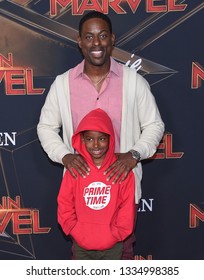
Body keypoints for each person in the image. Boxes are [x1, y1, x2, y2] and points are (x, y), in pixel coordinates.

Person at [37, 11, 165, 259]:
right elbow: (45, 127)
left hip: (121, 196)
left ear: (112, 39)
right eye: (89, 37)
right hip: (79, 198)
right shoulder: (63, 84)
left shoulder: (134, 82)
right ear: (80, 41)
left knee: (122, 258)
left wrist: (134, 154)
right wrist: (65, 156)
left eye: (103, 35)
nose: (96, 43)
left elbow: (154, 125)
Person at [57, 108, 135, 260]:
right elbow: (64, 203)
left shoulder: (121, 170)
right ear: (82, 140)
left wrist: (116, 233)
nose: (96, 145)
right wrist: (74, 229)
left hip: (112, 246)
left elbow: (127, 208)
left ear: (110, 139)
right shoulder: (75, 169)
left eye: (102, 138)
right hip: (81, 245)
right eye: (90, 139)